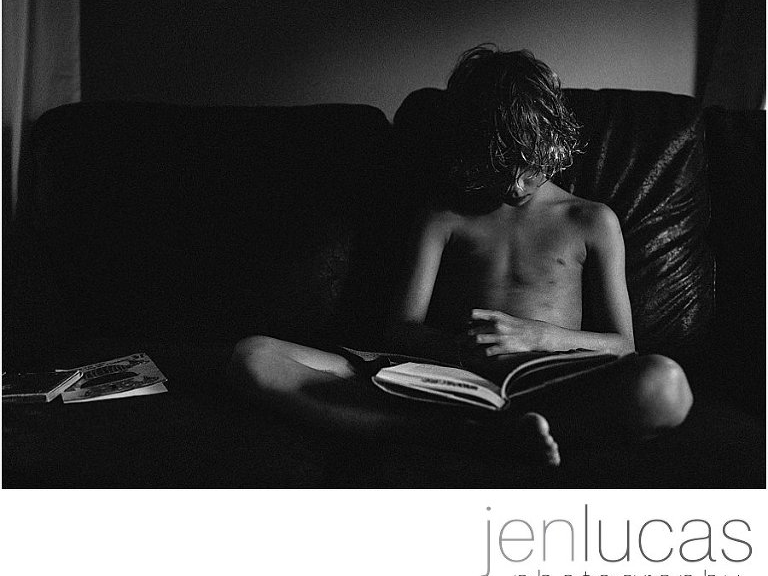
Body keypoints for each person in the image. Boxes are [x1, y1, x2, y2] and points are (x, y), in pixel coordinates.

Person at [227, 45, 693, 467]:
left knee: (665, 384)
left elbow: (624, 344)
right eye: (496, 166)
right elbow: (400, 327)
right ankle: (465, 433)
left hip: (550, 379)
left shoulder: (591, 221)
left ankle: (517, 429)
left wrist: (539, 337)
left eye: (526, 166)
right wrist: (457, 350)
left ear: (555, 145)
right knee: (254, 355)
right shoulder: (444, 215)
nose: (512, 186)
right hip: (446, 379)